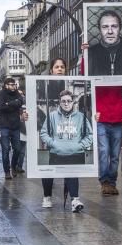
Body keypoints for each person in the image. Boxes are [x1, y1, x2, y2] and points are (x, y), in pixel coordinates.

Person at [37, 58, 88, 212]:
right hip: (56, 147)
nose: (59, 69)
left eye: (62, 67)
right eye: (56, 67)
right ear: (51, 70)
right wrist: (52, 143)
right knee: (47, 169)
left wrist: (80, 145)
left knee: (71, 170)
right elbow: (42, 129)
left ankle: (75, 199)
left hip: (72, 147)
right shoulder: (43, 88)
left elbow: (88, 131)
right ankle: (47, 196)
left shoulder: (78, 115)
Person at [87, 9, 122, 77]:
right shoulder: (90, 53)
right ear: (99, 29)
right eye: (105, 27)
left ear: (120, 28)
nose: (110, 31)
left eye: (114, 26)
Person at [0, 77, 26, 180]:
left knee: (17, 149)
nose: (14, 86)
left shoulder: (17, 93)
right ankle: (7, 171)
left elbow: (21, 102)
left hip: (16, 126)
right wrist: (14, 104)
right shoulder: (1, 94)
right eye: (11, 84)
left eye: (14, 84)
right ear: (6, 85)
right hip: (4, 126)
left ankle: (13, 166)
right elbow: (1, 107)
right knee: (5, 149)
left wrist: (9, 103)